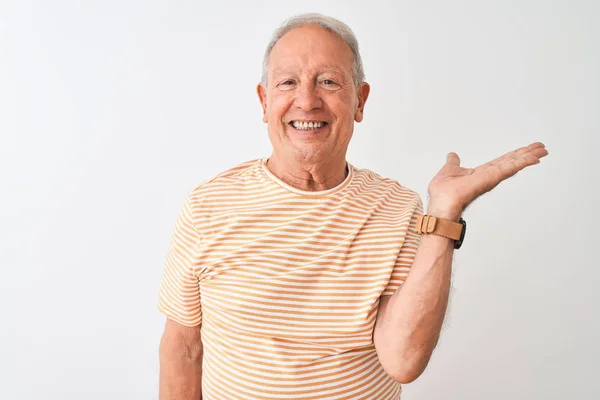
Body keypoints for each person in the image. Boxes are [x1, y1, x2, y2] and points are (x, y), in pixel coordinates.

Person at [157, 13, 549, 400]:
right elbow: (183, 349)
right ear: (264, 101)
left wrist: (444, 214)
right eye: (288, 82)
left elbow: (403, 360)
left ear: (359, 101)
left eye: (328, 82)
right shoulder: (208, 207)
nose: (307, 101)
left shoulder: (398, 208)